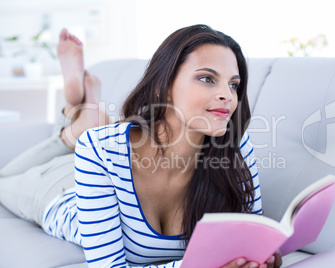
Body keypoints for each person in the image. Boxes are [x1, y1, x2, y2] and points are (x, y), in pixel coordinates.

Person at [0, 25, 282, 268]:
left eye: (234, 85)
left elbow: (250, 237)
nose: (226, 96)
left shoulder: (235, 147)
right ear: (163, 86)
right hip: (60, 193)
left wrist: (261, 257)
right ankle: (75, 126)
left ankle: (83, 119)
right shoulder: (99, 150)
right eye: (207, 78)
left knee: (92, 141)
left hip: (105, 160)